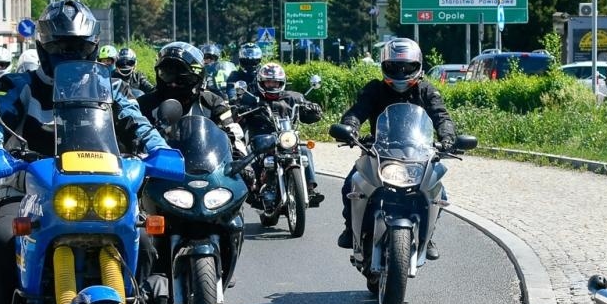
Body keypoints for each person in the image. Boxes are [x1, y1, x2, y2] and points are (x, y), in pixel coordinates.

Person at [0, 0, 171, 304]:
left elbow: (135, 121)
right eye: (61, 48)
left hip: (99, 184)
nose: (70, 55)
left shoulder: (109, 86)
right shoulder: (20, 84)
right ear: (43, 49)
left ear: (92, 48)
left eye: (78, 48)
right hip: (30, 186)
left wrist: (159, 149)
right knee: (2, 236)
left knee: (143, 234)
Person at [333, 37, 458, 256]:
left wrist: (447, 138)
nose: (400, 72)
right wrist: (350, 127)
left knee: (440, 192)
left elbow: (441, 116)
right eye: (394, 66)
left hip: (417, 154)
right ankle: (349, 229)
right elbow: (358, 111)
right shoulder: (374, 89)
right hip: (378, 152)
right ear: (384, 66)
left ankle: (427, 237)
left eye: (406, 67)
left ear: (418, 66)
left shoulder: (426, 90)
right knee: (350, 185)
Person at [234, 61, 324, 206]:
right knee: (251, 156)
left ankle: (309, 188)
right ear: (261, 83)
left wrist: (313, 109)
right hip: (262, 139)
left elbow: (311, 116)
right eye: (268, 82)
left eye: (276, 83)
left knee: (305, 150)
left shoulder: (294, 97)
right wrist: (239, 110)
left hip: (286, 138)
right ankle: (254, 186)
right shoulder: (251, 98)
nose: (272, 85)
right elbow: (236, 115)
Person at [135, 43, 244, 154]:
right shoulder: (145, 104)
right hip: (156, 168)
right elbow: (130, 140)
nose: (173, 84)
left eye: (182, 79)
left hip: (204, 167)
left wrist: (240, 160)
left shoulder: (213, 103)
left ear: (196, 79)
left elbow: (233, 135)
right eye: (167, 76)